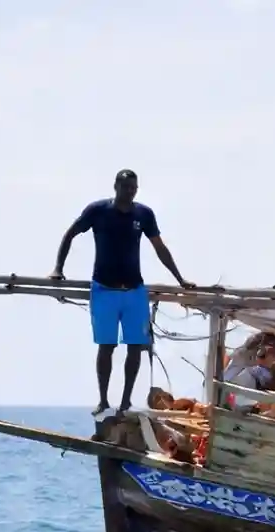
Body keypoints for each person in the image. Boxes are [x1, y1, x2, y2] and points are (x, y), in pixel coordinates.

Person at [49, 169, 193, 417]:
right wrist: (58, 269)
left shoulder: (143, 214)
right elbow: (70, 234)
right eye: (126, 187)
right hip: (104, 289)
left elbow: (160, 248)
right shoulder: (98, 211)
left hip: (134, 290)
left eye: (134, 188)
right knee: (106, 346)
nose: (130, 192)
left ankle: (125, 401)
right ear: (116, 186)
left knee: (135, 345)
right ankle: (104, 400)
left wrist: (180, 279)